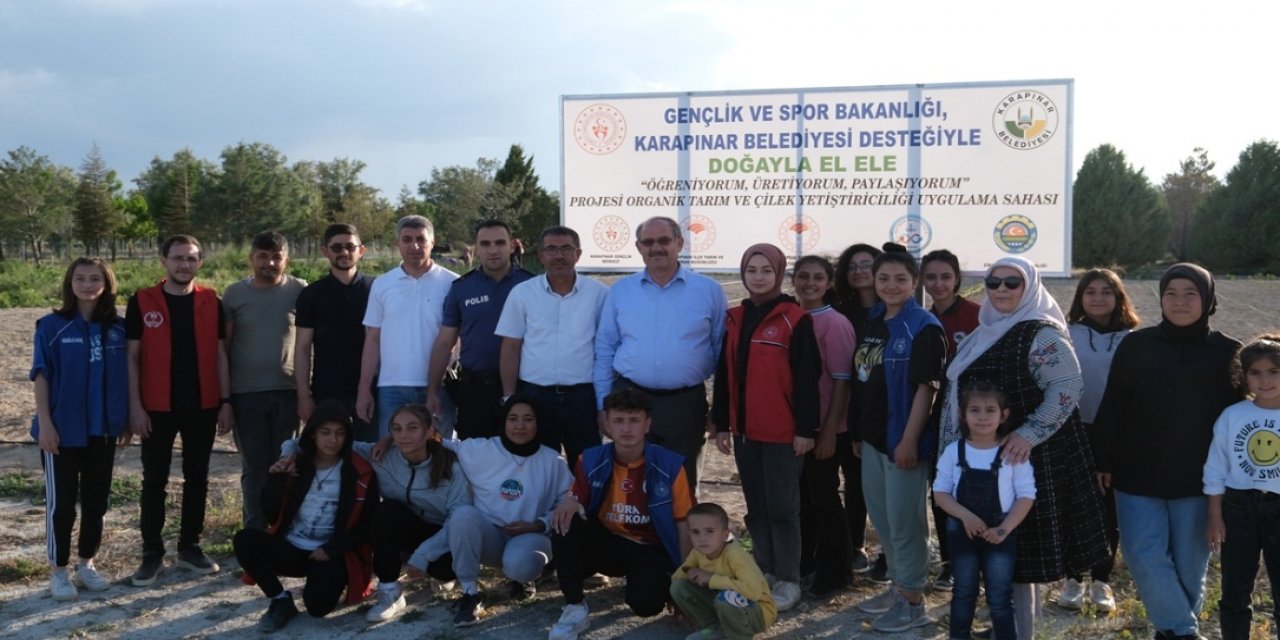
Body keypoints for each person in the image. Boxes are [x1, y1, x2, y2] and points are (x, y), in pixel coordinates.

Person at [940, 256, 1109, 640]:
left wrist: (1028, 434)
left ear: (1029, 286)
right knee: (1006, 554)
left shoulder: (1040, 332)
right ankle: (1012, 630)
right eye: (994, 282)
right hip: (986, 461)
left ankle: (1020, 632)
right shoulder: (990, 329)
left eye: (1011, 283)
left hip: (1027, 460)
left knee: (1020, 554)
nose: (1001, 289)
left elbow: (1068, 387)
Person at [1094, 263, 1241, 640]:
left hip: (1200, 478)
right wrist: (1103, 458)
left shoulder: (1228, 353)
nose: (1179, 301)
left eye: (1191, 293)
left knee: (1191, 566)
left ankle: (1172, 632)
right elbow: (1114, 404)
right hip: (1136, 473)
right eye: (1171, 293)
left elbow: (1240, 420)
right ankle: (1183, 631)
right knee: (1143, 557)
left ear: (1208, 300)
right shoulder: (1136, 345)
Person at [278, 403, 478, 626]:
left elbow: (456, 520)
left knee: (443, 569)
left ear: (429, 431)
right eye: (397, 429)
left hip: (441, 537)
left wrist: (425, 553)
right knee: (386, 511)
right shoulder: (380, 455)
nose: (404, 435)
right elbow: (298, 442)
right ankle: (390, 591)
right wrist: (287, 456)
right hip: (403, 527)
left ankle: (437, 572)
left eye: (413, 428)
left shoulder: (451, 467)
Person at [711, 243, 821, 612]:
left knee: (782, 508)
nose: (758, 277)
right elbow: (724, 375)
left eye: (766, 270)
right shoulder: (734, 318)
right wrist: (722, 424)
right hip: (745, 432)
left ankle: (789, 579)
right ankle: (766, 569)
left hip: (783, 432)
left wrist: (806, 429)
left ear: (778, 274)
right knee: (756, 506)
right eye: (752, 270)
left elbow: (808, 379)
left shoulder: (795, 318)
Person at [127, 234, 234, 586]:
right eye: (177, 258)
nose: (184, 264)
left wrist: (225, 401)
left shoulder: (211, 302)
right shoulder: (142, 301)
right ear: (163, 261)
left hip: (202, 405)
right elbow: (132, 358)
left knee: (198, 476)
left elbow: (220, 355)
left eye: (190, 258)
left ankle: (190, 546)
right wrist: (136, 407)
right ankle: (152, 552)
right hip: (156, 406)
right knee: (154, 480)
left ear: (200, 262)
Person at [547, 388, 695, 640]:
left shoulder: (671, 466)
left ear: (647, 424)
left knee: (646, 606)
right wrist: (569, 500)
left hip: (649, 548)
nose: (626, 429)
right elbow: (576, 498)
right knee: (564, 517)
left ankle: (654, 582)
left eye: (634, 420)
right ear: (606, 424)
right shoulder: (590, 459)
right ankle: (574, 607)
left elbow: (684, 525)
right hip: (610, 544)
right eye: (618, 420)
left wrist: (684, 587)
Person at [851, 243, 947, 633]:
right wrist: (859, 434)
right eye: (884, 278)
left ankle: (912, 602)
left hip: (902, 442)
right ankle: (897, 587)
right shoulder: (874, 319)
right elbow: (864, 379)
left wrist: (909, 441)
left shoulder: (924, 326)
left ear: (915, 282)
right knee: (885, 520)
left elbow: (927, 388)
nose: (891, 285)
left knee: (906, 523)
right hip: (872, 440)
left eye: (900, 279)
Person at [594, 216, 729, 490]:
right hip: (630, 400)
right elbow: (605, 350)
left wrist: (720, 410)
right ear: (638, 246)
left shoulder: (709, 291)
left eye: (664, 240)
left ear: (679, 243)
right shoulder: (621, 291)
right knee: (630, 483)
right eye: (648, 242)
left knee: (681, 483)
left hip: (685, 405)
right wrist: (602, 405)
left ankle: (678, 535)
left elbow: (721, 353)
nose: (656, 247)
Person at [233, 399, 378, 632]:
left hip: (330, 553)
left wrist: (334, 548)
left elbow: (368, 523)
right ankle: (280, 600)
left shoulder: (360, 471)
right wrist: (275, 480)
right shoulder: (295, 464)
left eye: (340, 433)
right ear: (312, 434)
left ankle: (323, 583)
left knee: (317, 608)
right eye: (326, 432)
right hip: (292, 547)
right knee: (245, 539)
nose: (333, 440)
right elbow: (270, 515)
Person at [32, 257, 128, 600]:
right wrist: (45, 423)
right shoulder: (51, 326)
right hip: (61, 431)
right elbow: (41, 375)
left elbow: (127, 378)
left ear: (107, 283)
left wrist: (125, 420)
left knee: (96, 502)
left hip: (102, 431)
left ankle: (86, 563)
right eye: (81, 278)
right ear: (70, 284)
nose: (88, 284)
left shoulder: (118, 327)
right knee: (62, 505)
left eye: (95, 278)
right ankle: (58, 570)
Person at [444, 395, 575, 611]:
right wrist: (391, 439)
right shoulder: (482, 449)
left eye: (528, 419)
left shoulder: (553, 461)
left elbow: (568, 503)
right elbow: (438, 442)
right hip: (490, 536)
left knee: (520, 566)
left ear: (538, 422)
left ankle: (524, 578)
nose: (520, 426)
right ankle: (470, 591)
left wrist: (539, 524)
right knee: (463, 515)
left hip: (531, 535)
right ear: (504, 422)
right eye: (513, 419)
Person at [1059, 268, 1140, 612]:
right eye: (1090, 291)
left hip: (1119, 434)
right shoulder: (1066, 333)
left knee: (1109, 510)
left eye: (1106, 291)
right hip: (1075, 429)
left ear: (1118, 297)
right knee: (1074, 505)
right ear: (1080, 297)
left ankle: (1102, 581)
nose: (1097, 298)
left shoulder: (1134, 339)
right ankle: (1073, 578)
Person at [497, 226, 608, 471]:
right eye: (551, 249)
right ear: (541, 255)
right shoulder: (522, 294)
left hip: (583, 398)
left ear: (578, 254)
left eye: (566, 248)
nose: (559, 255)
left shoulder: (599, 294)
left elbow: (606, 350)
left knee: (587, 467)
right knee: (540, 470)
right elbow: (511, 347)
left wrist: (603, 402)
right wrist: (509, 396)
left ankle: (583, 511)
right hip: (536, 397)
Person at [934, 381, 1037, 640]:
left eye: (990, 410)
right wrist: (965, 516)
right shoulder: (953, 451)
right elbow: (940, 493)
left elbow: (1026, 496)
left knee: (1000, 597)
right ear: (963, 415)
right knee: (964, 592)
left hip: (1001, 533)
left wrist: (1004, 529)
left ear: (1004, 415)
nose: (982, 417)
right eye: (975, 410)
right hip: (961, 531)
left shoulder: (1012, 453)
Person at [223, 230, 307, 529]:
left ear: (286, 259)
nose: (269, 263)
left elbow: (309, 343)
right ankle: (255, 532)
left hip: (288, 392)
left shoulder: (299, 290)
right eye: (263, 256)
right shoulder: (234, 294)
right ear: (251, 258)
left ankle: (283, 530)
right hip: (246, 394)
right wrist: (226, 399)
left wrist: (305, 392)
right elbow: (225, 348)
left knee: (285, 465)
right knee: (255, 468)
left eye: (276, 257)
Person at [1204, 336, 1280, 640]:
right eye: (1255, 372)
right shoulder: (1233, 416)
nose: (1265, 379)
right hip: (1239, 509)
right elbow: (1216, 468)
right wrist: (1215, 515)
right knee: (1235, 590)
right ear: (1243, 376)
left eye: (1274, 371)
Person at [427, 219, 531, 441]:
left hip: (524, 388)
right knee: (474, 460)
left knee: (523, 459)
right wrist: (432, 391)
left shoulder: (531, 285)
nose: (493, 250)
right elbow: (445, 343)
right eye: (485, 244)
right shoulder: (462, 288)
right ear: (476, 248)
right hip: (475, 391)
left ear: (511, 246)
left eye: (500, 243)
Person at [356, 215, 459, 439]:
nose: (414, 246)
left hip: (438, 388)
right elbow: (372, 339)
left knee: (440, 455)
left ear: (433, 242)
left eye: (421, 239)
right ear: (397, 243)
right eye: (407, 239)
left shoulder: (453, 283)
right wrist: (364, 390)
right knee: (391, 456)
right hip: (391, 387)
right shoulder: (382, 284)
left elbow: (459, 337)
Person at [791, 255, 856, 599]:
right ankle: (806, 564)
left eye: (818, 277)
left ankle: (837, 572)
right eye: (803, 276)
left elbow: (843, 381)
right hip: (798, 427)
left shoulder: (835, 323)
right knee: (803, 499)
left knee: (825, 499)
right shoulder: (793, 317)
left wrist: (829, 431)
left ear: (829, 282)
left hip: (826, 429)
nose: (810, 283)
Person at [921, 248, 981, 591]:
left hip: (974, 419)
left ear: (957, 279)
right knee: (941, 490)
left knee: (975, 491)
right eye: (931, 277)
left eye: (945, 276)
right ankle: (949, 563)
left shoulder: (978, 316)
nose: (938, 284)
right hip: (934, 417)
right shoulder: (923, 320)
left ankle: (977, 562)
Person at [294, 223, 376, 441]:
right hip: (327, 391)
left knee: (371, 459)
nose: (344, 252)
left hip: (373, 390)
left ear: (362, 250)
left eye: (350, 246)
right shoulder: (311, 295)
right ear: (325, 251)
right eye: (337, 247)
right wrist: (304, 396)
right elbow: (302, 348)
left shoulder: (377, 289)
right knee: (328, 458)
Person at [832, 242, 882, 577]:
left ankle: (872, 548)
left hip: (876, 412)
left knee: (865, 482)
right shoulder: (837, 309)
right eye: (852, 266)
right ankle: (847, 545)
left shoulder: (892, 310)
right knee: (841, 479)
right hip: (838, 409)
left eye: (867, 264)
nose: (859, 271)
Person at [670, 502, 776, 640]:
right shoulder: (698, 552)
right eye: (695, 532)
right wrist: (689, 571)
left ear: (725, 535)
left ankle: (739, 636)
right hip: (726, 606)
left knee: (726, 599)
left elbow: (753, 592)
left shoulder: (734, 555)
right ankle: (715, 628)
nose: (702, 538)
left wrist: (711, 579)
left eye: (710, 531)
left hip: (759, 611)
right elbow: (679, 576)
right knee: (679, 586)